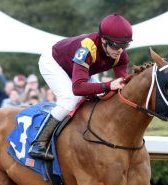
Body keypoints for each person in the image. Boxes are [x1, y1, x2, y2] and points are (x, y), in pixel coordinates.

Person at [28, 14, 133, 160]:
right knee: (69, 99)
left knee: (99, 97)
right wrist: (109, 85)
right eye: (116, 45)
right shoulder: (87, 48)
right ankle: (39, 143)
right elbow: (77, 88)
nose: (120, 50)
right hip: (54, 62)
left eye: (125, 45)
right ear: (103, 40)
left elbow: (123, 85)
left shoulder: (121, 55)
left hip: (81, 69)